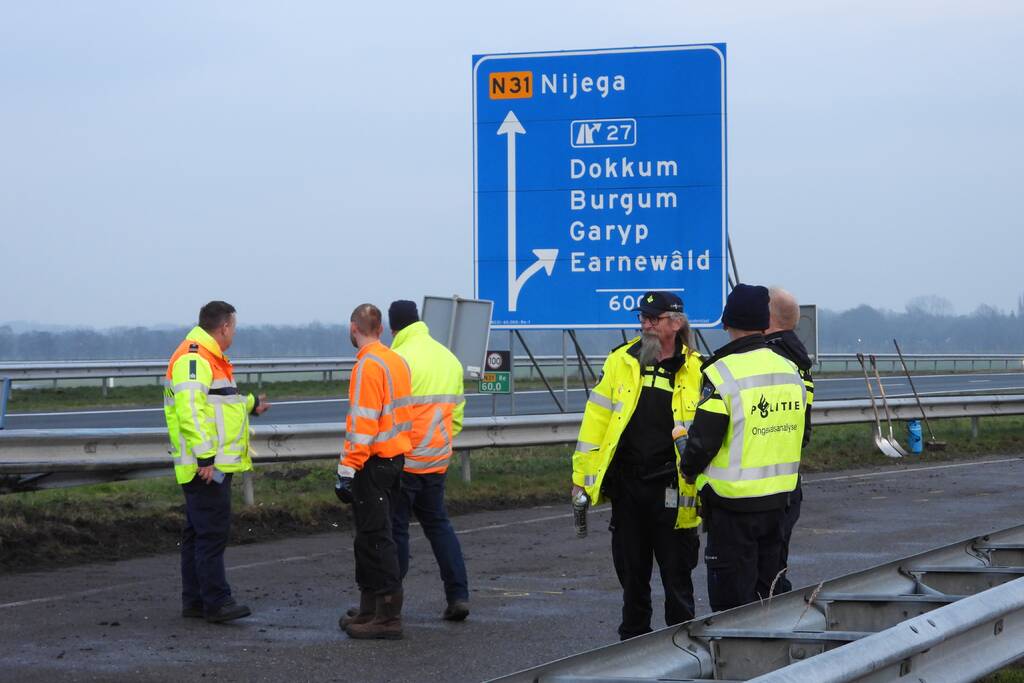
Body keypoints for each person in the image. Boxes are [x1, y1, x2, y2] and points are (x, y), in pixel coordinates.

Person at [571, 291, 704, 640]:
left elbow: (708, 434)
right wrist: (581, 477)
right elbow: (595, 422)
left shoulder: (698, 369)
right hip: (628, 487)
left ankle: (683, 648)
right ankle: (633, 647)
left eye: (653, 318)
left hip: (674, 488)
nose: (645, 324)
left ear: (675, 323)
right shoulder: (621, 361)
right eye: (642, 318)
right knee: (632, 577)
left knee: (677, 578)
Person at [679, 284, 806, 612]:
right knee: (769, 597)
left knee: (732, 608)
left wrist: (687, 467)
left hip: (733, 508)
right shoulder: (790, 369)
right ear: (764, 323)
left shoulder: (721, 372)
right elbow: (801, 432)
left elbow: (703, 442)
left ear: (726, 322)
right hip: (779, 503)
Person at [163, 300, 270, 623]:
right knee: (211, 534)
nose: (233, 334)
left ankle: (196, 601)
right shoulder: (195, 358)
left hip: (204, 463)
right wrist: (206, 457)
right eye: (233, 327)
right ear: (224, 327)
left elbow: (220, 402)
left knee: (198, 534)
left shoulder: (207, 357)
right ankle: (217, 601)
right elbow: (191, 411)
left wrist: (251, 404)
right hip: (206, 466)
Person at [387, 300, 471, 621]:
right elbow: (456, 418)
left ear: (393, 328)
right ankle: (458, 595)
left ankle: (389, 602)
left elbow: (389, 416)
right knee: (439, 527)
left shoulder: (398, 359)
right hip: (437, 460)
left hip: (404, 461)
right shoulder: (449, 358)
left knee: (397, 530)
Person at [335, 303, 414, 640]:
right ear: (380, 329)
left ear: (353, 328)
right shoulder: (396, 360)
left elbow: (362, 424)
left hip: (372, 462)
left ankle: (387, 616)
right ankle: (371, 608)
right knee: (373, 537)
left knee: (375, 540)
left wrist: (347, 469)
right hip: (394, 459)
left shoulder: (367, 366)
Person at [764, 287, 815, 593]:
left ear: (768, 318)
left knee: (761, 575)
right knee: (776, 565)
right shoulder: (799, 360)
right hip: (788, 478)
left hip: (761, 482)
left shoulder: (771, 359)